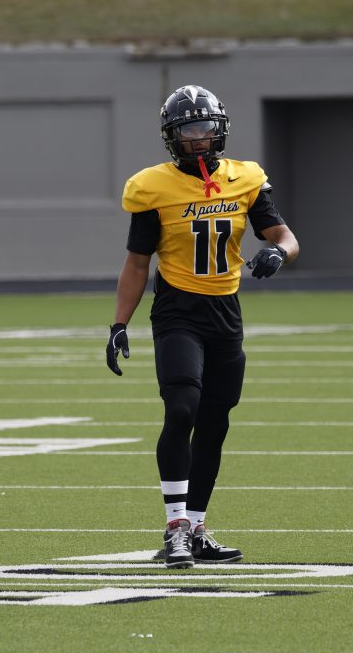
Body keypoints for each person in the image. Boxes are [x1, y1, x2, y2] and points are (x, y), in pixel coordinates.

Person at [106, 85, 300, 568]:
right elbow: (137, 263)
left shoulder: (245, 178)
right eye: (188, 129)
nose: (198, 137)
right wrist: (119, 323)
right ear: (172, 136)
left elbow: (284, 235)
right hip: (178, 311)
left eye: (204, 127)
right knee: (182, 408)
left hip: (225, 312)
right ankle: (174, 528)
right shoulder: (153, 186)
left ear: (220, 130)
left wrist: (278, 253)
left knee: (215, 421)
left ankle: (196, 528)